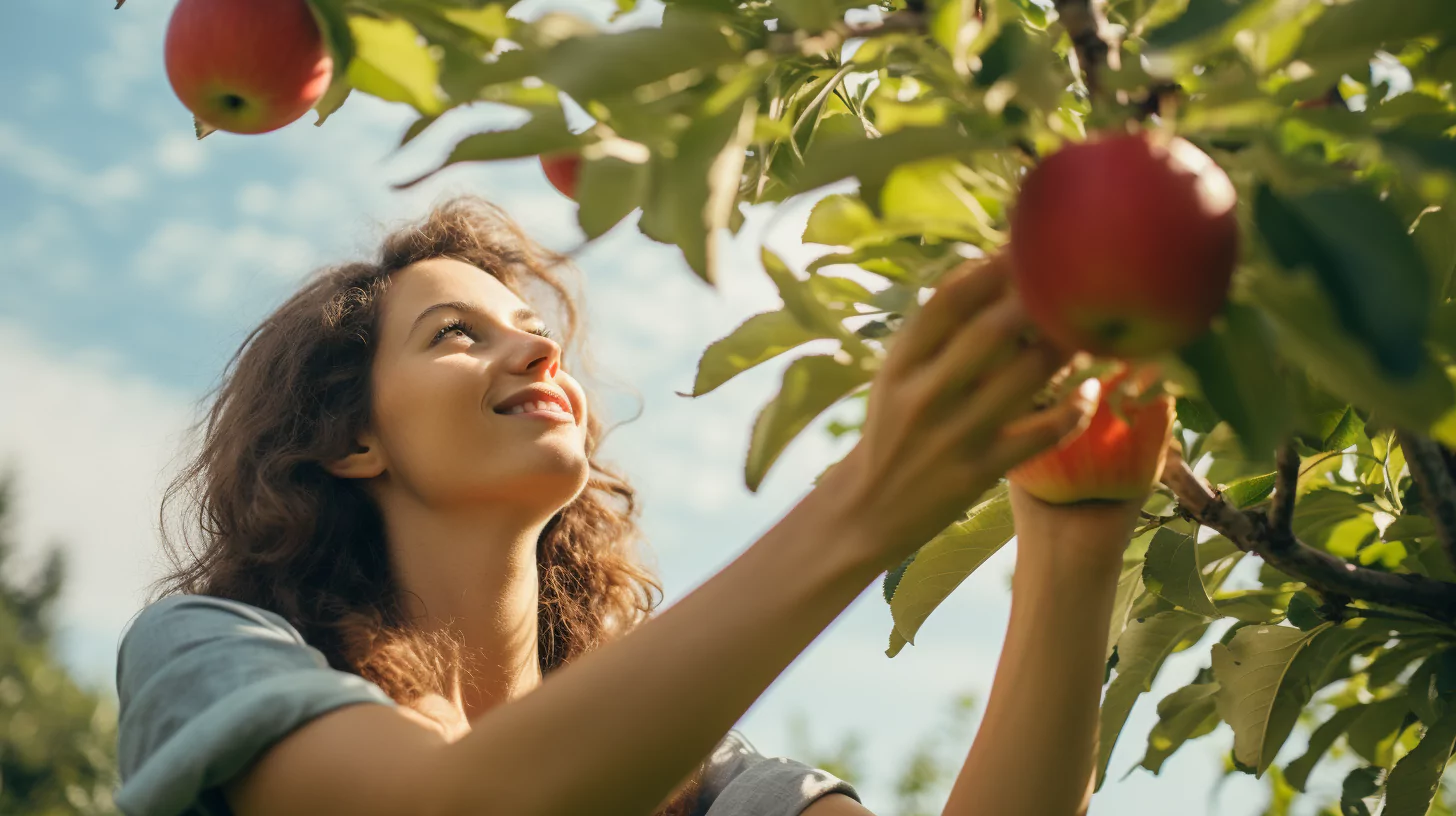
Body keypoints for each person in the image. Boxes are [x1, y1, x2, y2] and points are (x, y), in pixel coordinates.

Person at [114, 195, 1150, 816]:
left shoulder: (692, 775)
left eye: (530, 325)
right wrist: (864, 505)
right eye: (455, 334)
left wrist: (1075, 534)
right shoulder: (215, 657)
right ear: (351, 439)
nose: (537, 346)